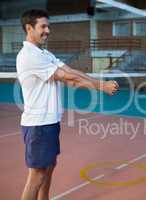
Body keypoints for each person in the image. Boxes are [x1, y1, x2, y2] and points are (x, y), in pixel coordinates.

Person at [17, 9, 119, 200]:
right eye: (43, 26)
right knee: (36, 176)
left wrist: (99, 85)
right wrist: (101, 86)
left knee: (48, 169)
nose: (47, 30)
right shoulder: (29, 55)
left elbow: (71, 74)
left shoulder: (45, 53)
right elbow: (67, 76)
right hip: (38, 124)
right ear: (29, 28)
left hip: (49, 122)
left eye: (48, 26)